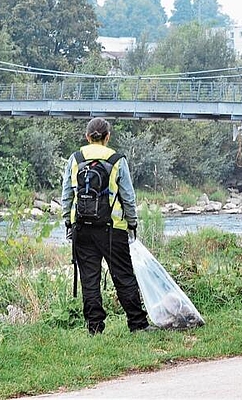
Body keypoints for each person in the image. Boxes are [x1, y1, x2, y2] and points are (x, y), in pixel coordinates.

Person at [61, 117, 152, 335]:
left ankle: (95, 328)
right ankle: (138, 325)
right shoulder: (116, 159)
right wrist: (132, 222)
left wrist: (67, 220)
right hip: (113, 228)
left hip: (81, 228)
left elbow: (67, 194)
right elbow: (128, 196)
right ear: (107, 137)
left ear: (87, 136)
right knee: (123, 276)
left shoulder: (75, 158)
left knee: (89, 279)